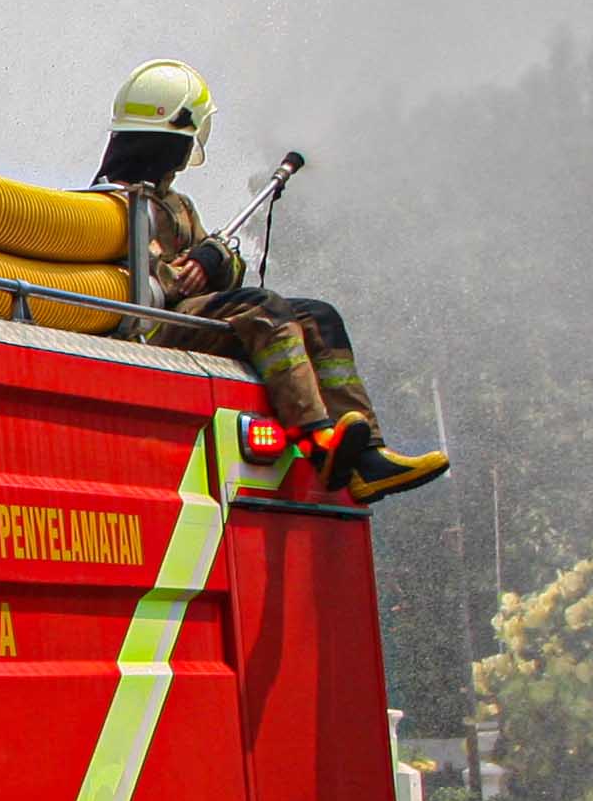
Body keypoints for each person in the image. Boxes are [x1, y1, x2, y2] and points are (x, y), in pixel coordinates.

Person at [95, 60, 449, 502]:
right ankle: (318, 439)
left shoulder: (177, 206)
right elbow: (132, 283)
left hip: (189, 318)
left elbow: (227, 276)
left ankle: (369, 457)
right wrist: (184, 271)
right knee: (263, 309)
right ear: (174, 141)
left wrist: (216, 258)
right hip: (151, 327)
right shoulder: (107, 208)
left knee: (320, 317)